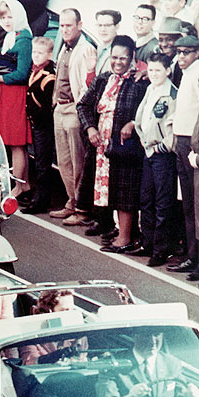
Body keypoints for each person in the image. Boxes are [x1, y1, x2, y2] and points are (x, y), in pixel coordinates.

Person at [76, 35, 149, 254]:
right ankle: (118, 232)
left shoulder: (140, 82)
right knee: (109, 191)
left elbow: (148, 109)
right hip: (101, 146)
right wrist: (90, 128)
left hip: (126, 147)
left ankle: (125, 237)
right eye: (114, 57)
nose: (118, 62)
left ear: (132, 58)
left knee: (125, 191)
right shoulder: (103, 79)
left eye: (123, 58)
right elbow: (83, 105)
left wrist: (134, 123)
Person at [0, 0, 32, 200]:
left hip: (15, 94)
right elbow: (2, 63)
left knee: (17, 143)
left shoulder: (24, 39)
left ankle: (20, 186)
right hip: (5, 92)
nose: (7, 20)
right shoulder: (12, 37)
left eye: (10, 16)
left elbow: (22, 73)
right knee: (12, 143)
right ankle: (23, 183)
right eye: (3, 17)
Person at [49, 8, 95, 225]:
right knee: (63, 162)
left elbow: (88, 84)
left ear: (79, 25)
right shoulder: (64, 48)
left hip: (75, 110)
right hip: (60, 108)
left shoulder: (85, 48)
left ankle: (81, 208)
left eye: (69, 25)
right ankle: (71, 201)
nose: (65, 29)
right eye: (62, 25)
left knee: (78, 162)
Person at [133, 52, 178, 267]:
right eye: (150, 70)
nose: (153, 74)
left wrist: (159, 147)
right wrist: (144, 141)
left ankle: (161, 249)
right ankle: (147, 242)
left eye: (158, 70)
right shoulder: (151, 89)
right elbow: (142, 119)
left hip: (162, 155)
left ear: (168, 70)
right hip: (148, 151)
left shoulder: (171, 95)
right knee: (146, 199)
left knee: (162, 202)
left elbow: (172, 131)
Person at [95, 328, 185, 397]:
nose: (153, 341)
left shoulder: (171, 363)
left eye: (157, 335)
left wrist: (190, 396)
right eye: (146, 335)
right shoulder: (114, 365)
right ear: (134, 336)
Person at [169, 35, 199, 280]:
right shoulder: (187, 72)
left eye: (186, 52)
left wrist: (194, 147)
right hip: (181, 138)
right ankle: (192, 255)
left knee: (196, 205)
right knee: (188, 204)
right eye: (179, 52)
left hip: (192, 141)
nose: (181, 57)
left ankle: (196, 258)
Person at [21, 36, 56, 214]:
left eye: (40, 53)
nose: (36, 56)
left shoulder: (49, 76)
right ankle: (38, 196)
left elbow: (48, 105)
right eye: (34, 52)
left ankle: (41, 200)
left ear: (49, 55)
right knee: (38, 162)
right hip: (35, 124)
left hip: (44, 125)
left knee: (43, 164)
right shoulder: (34, 70)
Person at [19, 289, 88, 365]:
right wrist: (52, 357)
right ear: (49, 312)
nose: (70, 314)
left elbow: (82, 361)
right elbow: (30, 362)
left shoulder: (78, 335)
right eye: (65, 310)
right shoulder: (30, 334)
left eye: (72, 309)